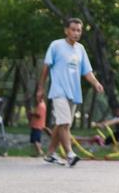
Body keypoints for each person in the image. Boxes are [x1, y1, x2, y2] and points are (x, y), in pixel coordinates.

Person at [37, 17, 104, 167]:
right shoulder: (56, 45)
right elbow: (46, 68)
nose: (76, 33)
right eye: (73, 30)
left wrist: (96, 83)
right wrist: (40, 88)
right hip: (58, 90)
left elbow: (87, 72)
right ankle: (70, 154)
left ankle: (50, 154)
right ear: (66, 30)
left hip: (74, 93)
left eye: (78, 30)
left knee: (61, 125)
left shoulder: (80, 49)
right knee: (65, 123)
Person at [28, 93, 48, 158]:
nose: (36, 98)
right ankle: (39, 152)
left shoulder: (41, 105)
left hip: (37, 125)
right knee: (37, 140)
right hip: (38, 125)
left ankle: (40, 152)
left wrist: (32, 113)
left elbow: (39, 115)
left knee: (35, 139)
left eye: (37, 97)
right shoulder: (42, 104)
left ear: (41, 97)